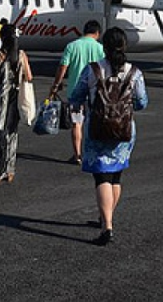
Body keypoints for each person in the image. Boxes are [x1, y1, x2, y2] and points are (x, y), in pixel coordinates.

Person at [68, 27, 148, 245]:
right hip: (124, 130)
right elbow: (142, 103)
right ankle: (107, 216)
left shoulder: (93, 70)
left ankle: (107, 226)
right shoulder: (135, 73)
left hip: (98, 128)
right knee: (116, 176)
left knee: (101, 176)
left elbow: (76, 96)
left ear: (104, 47)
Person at [50, 20, 104, 164]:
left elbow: (63, 67)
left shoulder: (72, 46)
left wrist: (56, 84)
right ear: (97, 33)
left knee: (76, 124)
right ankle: (93, 154)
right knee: (93, 124)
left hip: (75, 91)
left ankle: (78, 155)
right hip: (94, 92)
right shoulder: (100, 48)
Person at [0, 23, 32, 183]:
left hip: (0, 98)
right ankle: (10, 169)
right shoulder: (21, 55)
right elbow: (29, 76)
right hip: (15, 97)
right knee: (12, 133)